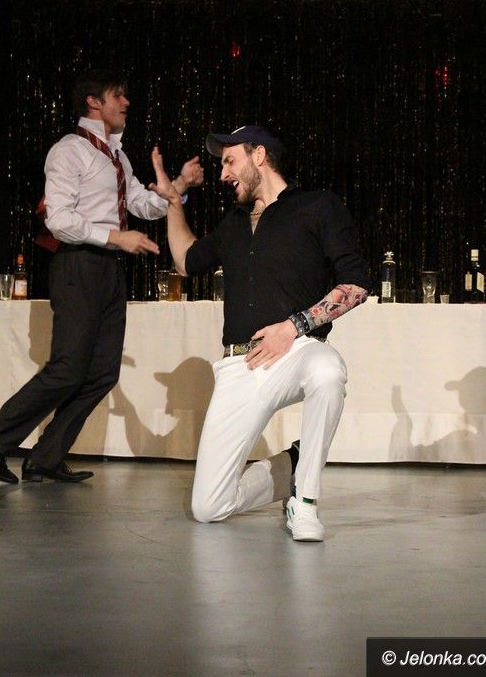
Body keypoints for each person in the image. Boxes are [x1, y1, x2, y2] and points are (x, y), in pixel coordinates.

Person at [149, 125, 372, 541]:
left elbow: (356, 284)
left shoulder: (316, 206)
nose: (222, 174)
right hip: (241, 364)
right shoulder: (234, 223)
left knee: (328, 371)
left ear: (259, 156)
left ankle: (305, 502)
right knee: (208, 508)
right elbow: (185, 261)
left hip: (296, 349)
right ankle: (293, 465)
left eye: (229, 161)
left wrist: (293, 327)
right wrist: (173, 203)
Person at [0, 68, 203, 485]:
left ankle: (46, 457)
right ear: (94, 101)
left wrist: (179, 184)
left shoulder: (116, 156)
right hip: (78, 264)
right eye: (117, 95)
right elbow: (58, 220)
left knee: (103, 372)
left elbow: (143, 204)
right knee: (68, 368)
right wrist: (115, 237)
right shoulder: (70, 150)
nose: (126, 103)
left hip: (108, 268)